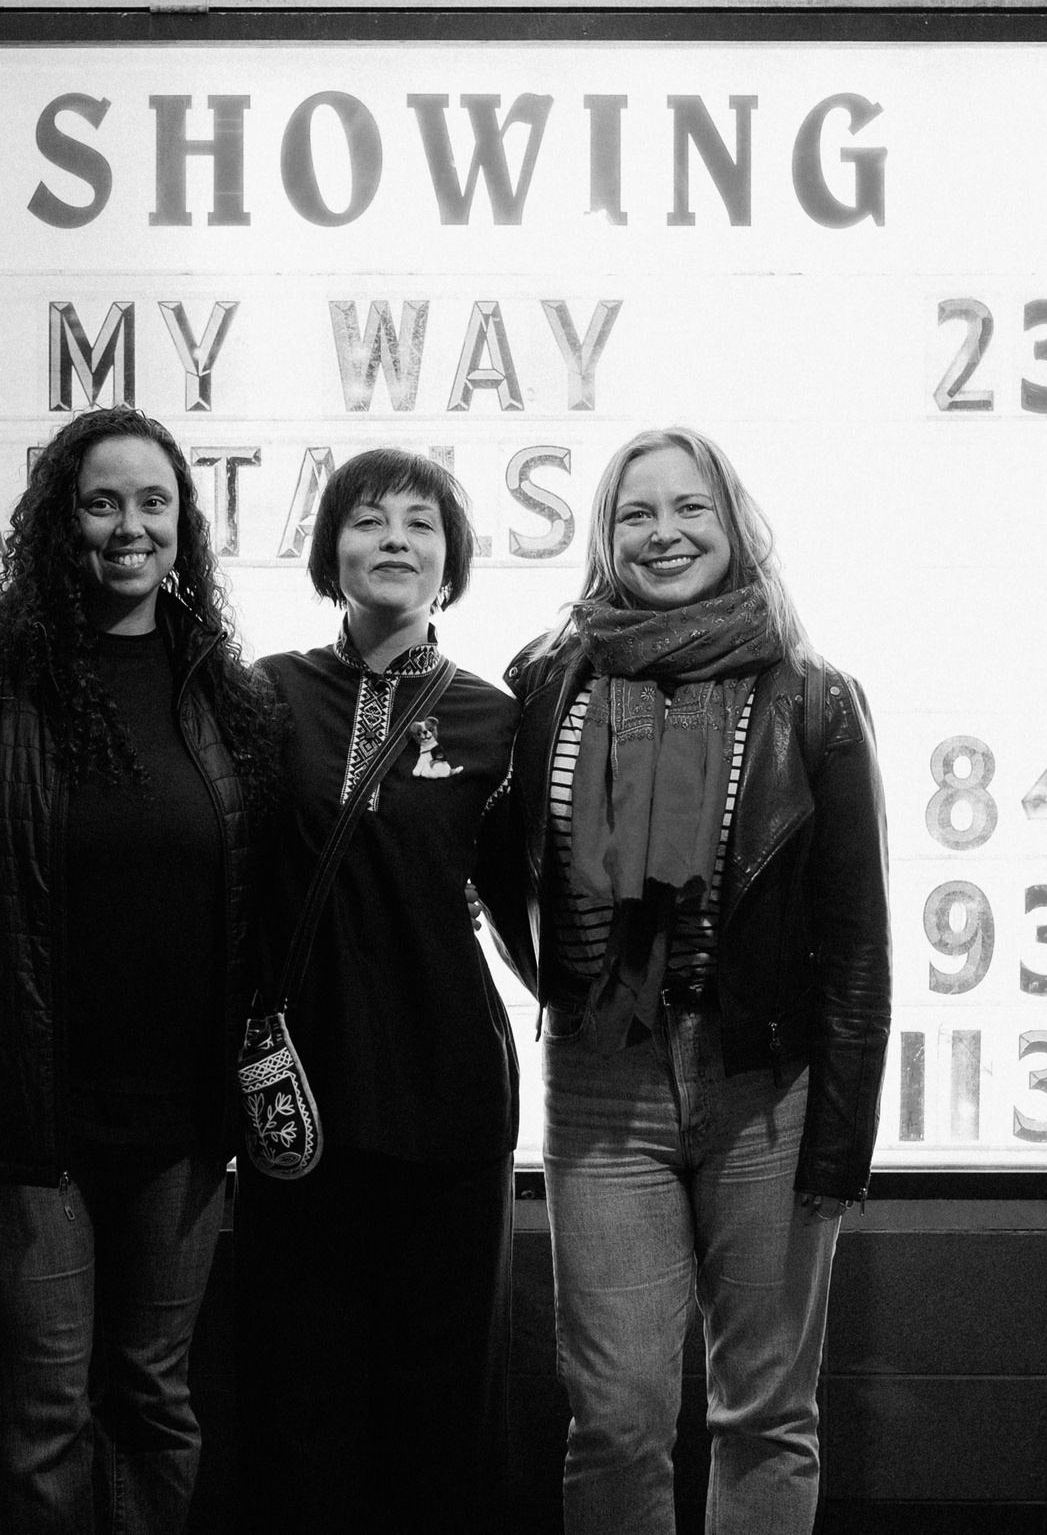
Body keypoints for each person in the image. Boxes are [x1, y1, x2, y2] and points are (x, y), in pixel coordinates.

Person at [0, 406, 284, 1534]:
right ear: (59, 522)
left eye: (154, 502)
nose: (130, 527)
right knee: (41, 1417)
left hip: (182, 1125)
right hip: (24, 1118)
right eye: (102, 502)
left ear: (184, 525)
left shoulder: (221, 691)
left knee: (154, 1401)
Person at [504, 426, 890, 1534]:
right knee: (615, 1416)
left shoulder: (814, 699)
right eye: (635, 513)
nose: (663, 533)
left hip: (766, 1089)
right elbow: (503, 864)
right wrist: (564, 979)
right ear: (603, 536)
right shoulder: (547, 683)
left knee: (765, 1412)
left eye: (689, 510)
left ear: (733, 526)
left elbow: (857, 941)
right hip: (602, 1084)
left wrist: (839, 1140)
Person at [235, 448, 536, 1535]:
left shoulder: (494, 719)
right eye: (367, 521)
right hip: (299, 1096)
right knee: (300, 1392)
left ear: (450, 561)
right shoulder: (263, 696)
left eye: (420, 523)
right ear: (331, 551)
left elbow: (524, 897)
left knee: (442, 1392)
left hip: (448, 1087)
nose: (394, 540)